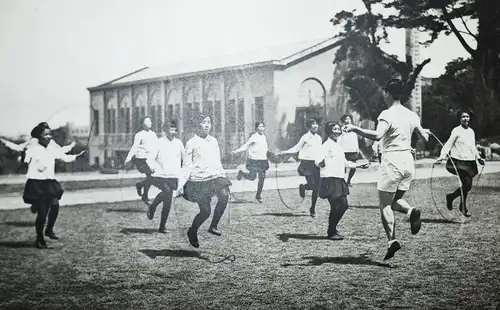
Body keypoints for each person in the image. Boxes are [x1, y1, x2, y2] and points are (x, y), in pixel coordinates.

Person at [344, 79, 430, 260]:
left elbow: (377, 135)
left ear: (387, 93)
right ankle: (411, 211)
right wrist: (425, 133)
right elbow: (425, 137)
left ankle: (392, 241)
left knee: (384, 204)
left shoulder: (386, 114)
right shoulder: (411, 115)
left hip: (392, 161)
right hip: (408, 162)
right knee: (394, 200)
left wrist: (354, 128)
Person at [22, 123, 86, 249]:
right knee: (42, 213)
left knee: (55, 205)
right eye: (45, 134)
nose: (49, 137)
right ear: (38, 137)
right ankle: (39, 238)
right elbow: (25, 161)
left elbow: (64, 157)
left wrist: (78, 156)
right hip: (36, 183)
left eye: (50, 134)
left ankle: (49, 229)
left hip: (49, 182)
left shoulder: (52, 148)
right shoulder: (33, 149)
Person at [181, 114, 232, 248]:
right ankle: (192, 231)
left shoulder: (213, 141)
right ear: (198, 125)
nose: (207, 125)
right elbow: (186, 165)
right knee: (205, 212)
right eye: (204, 122)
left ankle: (213, 226)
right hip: (198, 181)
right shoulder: (191, 143)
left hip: (214, 178)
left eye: (209, 122)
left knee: (224, 195)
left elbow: (217, 161)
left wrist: (223, 176)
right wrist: (181, 185)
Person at [315, 121, 369, 239]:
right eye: (334, 129)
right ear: (329, 131)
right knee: (335, 206)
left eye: (338, 129)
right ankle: (331, 232)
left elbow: (345, 162)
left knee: (344, 205)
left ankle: (332, 229)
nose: (337, 131)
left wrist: (359, 165)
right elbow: (317, 160)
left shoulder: (338, 145)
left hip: (339, 179)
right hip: (329, 179)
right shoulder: (325, 145)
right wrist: (321, 163)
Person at [436, 110, 485, 217]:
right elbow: (448, 144)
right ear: (460, 119)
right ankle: (462, 206)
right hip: (458, 161)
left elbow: (472, 147)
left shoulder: (471, 131)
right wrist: (442, 156)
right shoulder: (456, 131)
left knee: (467, 186)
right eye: (463, 117)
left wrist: (478, 158)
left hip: (470, 162)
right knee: (467, 184)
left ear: (469, 118)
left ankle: (451, 197)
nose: (465, 118)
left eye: (467, 116)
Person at [278, 118, 323, 217]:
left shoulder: (319, 138)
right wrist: (285, 152)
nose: (315, 126)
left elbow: (320, 151)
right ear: (309, 126)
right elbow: (297, 148)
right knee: (312, 184)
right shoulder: (305, 137)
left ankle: (313, 208)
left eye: (316, 124)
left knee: (317, 188)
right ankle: (303, 187)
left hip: (316, 164)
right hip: (306, 164)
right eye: (313, 124)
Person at [146, 120, 185, 233]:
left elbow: (185, 158)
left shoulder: (179, 143)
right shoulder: (159, 142)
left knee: (168, 200)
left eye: (174, 128)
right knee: (167, 192)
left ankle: (160, 223)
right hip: (160, 175)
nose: (172, 131)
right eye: (169, 128)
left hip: (173, 176)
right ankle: (154, 208)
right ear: (164, 129)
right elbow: (150, 158)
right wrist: (151, 166)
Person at [231, 122, 269, 203]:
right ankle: (242, 173)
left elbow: (265, 149)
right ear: (256, 128)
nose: (261, 128)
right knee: (252, 177)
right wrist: (237, 151)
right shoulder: (254, 137)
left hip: (262, 161)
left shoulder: (264, 137)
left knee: (262, 179)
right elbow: (246, 145)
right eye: (260, 126)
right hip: (254, 160)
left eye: (263, 126)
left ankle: (258, 196)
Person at [124, 116, 158, 204]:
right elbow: (134, 147)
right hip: (141, 160)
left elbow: (157, 147)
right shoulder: (139, 135)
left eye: (150, 121)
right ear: (143, 124)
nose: (149, 123)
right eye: (147, 121)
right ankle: (145, 196)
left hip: (150, 159)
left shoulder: (153, 134)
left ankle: (140, 186)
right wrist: (128, 159)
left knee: (152, 178)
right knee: (151, 177)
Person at [338, 114, 363, 186]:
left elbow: (355, 139)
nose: (348, 120)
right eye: (346, 119)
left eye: (349, 119)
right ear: (343, 121)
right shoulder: (341, 129)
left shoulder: (354, 129)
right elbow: (339, 140)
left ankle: (349, 180)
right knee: (343, 167)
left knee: (353, 166)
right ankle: (343, 181)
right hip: (344, 150)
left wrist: (357, 148)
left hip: (352, 150)